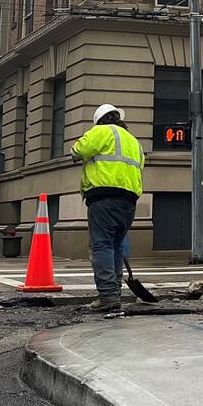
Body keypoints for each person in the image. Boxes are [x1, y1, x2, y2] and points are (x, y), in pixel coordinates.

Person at [72, 102, 145, 314]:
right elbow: (140, 167)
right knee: (115, 246)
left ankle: (107, 295)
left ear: (99, 121)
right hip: (128, 200)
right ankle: (114, 292)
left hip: (104, 197)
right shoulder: (133, 141)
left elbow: (77, 151)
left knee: (102, 244)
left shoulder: (100, 132)